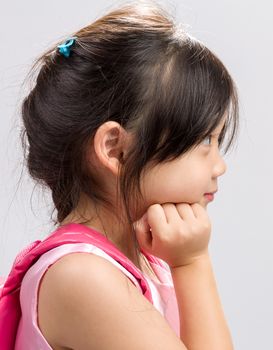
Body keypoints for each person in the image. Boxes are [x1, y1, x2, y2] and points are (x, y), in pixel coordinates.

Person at [3, 1, 239, 349]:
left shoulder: (148, 260)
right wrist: (193, 264)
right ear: (115, 149)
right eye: (204, 140)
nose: (220, 167)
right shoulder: (82, 276)